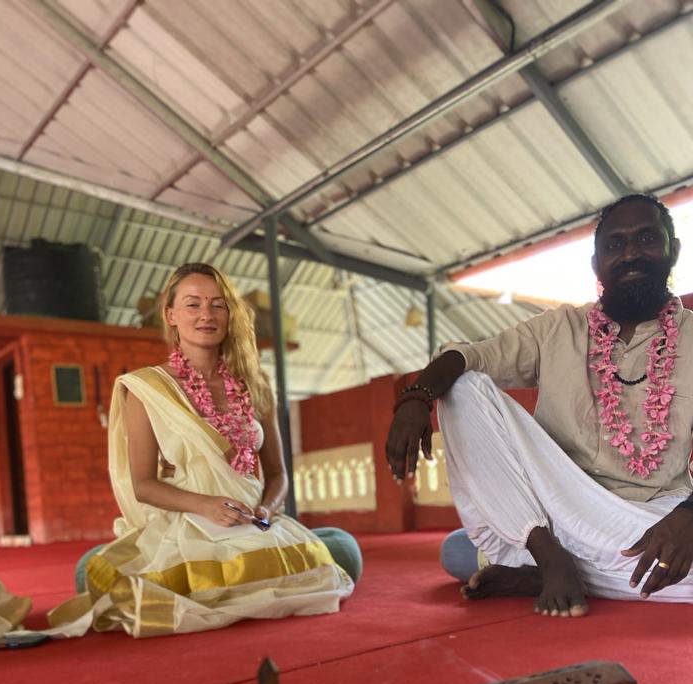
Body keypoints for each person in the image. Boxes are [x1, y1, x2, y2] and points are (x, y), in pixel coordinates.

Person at [386, 193, 693, 617]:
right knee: (464, 386)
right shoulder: (556, 329)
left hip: (650, 520)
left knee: (458, 556)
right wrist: (416, 397)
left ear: (672, 250)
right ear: (596, 263)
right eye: (614, 245)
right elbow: (470, 358)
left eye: (646, 239)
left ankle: (551, 573)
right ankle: (550, 560)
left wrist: (689, 516)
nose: (630, 255)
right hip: (550, 514)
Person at [49, 263, 356, 638]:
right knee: (100, 575)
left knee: (330, 559)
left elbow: (277, 474)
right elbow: (143, 484)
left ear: (230, 314)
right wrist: (205, 505)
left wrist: (266, 511)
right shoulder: (148, 389)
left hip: (254, 521)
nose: (206, 315)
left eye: (217, 304)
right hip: (190, 520)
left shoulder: (255, 384)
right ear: (171, 315)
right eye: (193, 305)